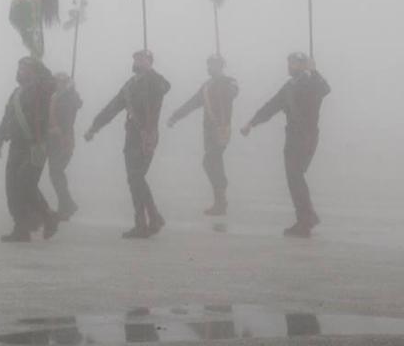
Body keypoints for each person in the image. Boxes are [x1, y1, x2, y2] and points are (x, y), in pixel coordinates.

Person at [240, 52, 330, 237]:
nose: (289, 66)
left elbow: (325, 90)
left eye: (294, 63)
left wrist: (315, 72)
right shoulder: (289, 86)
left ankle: (306, 219)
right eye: (289, 63)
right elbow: (272, 106)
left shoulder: (310, 83)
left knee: (295, 176)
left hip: (307, 136)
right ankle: (306, 217)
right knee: (294, 177)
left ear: (302, 65)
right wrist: (252, 122)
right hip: (293, 137)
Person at [85, 50, 170, 239]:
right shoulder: (129, 87)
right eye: (135, 59)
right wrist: (95, 126)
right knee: (134, 179)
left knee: (136, 177)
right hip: (132, 136)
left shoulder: (155, 81)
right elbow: (113, 107)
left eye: (141, 59)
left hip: (148, 135)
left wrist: (151, 73)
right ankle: (147, 221)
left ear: (149, 62)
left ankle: (150, 219)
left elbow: (166, 87)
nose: (137, 61)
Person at [0, 57, 60, 243]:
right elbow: (7, 119)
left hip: (35, 145)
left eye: (25, 68)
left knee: (25, 185)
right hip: (16, 145)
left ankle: (48, 216)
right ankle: (21, 228)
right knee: (12, 189)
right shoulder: (15, 94)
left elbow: (51, 83)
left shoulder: (41, 89)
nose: (20, 70)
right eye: (19, 67)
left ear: (34, 71)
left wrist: (40, 64)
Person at [167, 54, 239, 216]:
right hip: (208, 130)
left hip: (221, 129)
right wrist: (175, 116)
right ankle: (220, 200)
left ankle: (221, 199)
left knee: (210, 161)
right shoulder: (206, 86)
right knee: (213, 162)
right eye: (209, 64)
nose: (209, 67)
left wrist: (225, 85)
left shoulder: (229, 81)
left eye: (213, 65)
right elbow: (193, 103)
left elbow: (233, 93)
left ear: (221, 66)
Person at [47, 72, 82, 221]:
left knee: (56, 171)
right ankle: (65, 207)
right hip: (53, 139)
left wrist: (72, 91)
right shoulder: (55, 97)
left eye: (59, 82)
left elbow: (72, 111)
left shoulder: (69, 98)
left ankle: (67, 205)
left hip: (63, 139)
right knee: (56, 172)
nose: (56, 84)